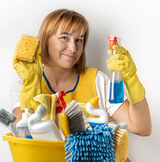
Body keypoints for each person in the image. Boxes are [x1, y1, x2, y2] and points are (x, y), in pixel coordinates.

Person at [12, 9, 151, 162]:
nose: (73, 48)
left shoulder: (97, 80)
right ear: (44, 40)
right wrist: (31, 83)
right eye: (64, 37)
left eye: (79, 39)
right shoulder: (23, 85)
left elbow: (142, 128)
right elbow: (22, 138)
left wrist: (132, 79)